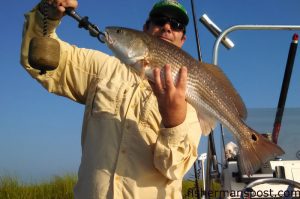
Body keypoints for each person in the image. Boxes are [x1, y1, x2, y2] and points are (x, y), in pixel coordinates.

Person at [20, 0, 203, 198]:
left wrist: (174, 120)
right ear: (145, 29)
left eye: (176, 25)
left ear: (182, 39)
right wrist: (46, 14)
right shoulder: (102, 68)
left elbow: (173, 169)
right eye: (159, 21)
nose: (167, 27)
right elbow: (39, 56)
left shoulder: (192, 100)